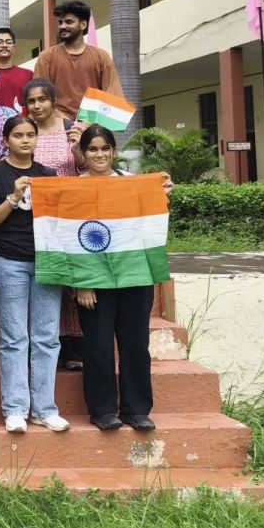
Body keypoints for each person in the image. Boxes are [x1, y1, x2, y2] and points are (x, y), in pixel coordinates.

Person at [75, 125, 173, 432]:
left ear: (114, 151)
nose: (99, 155)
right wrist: (81, 283)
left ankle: (137, 409)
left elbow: (149, 225)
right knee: (99, 346)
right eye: (93, 149)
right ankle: (103, 410)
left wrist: (161, 196)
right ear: (83, 153)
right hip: (94, 282)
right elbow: (69, 238)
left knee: (135, 344)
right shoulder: (73, 188)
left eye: (105, 148)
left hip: (135, 276)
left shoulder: (133, 183)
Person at [0, 115, 66, 433]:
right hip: (9, 262)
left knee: (47, 337)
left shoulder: (48, 174)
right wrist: (13, 198)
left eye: (31, 134)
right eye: (18, 135)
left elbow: (62, 219)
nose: (25, 140)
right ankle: (15, 408)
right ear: (6, 140)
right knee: (14, 337)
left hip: (46, 262)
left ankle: (44, 408)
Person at [23, 78, 85, 369]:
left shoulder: (71, 128)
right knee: (46, 278)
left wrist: (78, 149)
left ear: (53, 100)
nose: (36, 106)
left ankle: (74, 347)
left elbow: (86, 168)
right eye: (31, 101)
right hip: (36, 217)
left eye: (42, 100)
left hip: (69, 214)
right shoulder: (26, 131)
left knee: (70, 278)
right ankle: (47, 344)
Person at [33, 0, 124, 120]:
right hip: (57, 124)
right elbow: (39, 95)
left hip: (93, 124)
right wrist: (66, 123)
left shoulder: (101, 56)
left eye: (69, 22)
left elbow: (113, 96)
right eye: (60, 22)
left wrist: (87, 124)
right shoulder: (46, 57)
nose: (62, 26)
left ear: (83, 25)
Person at [0, 27, 32, 113]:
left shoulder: (28, 74)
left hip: (22, 120)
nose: (4, 45)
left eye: (9, 42)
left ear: (14, 47)